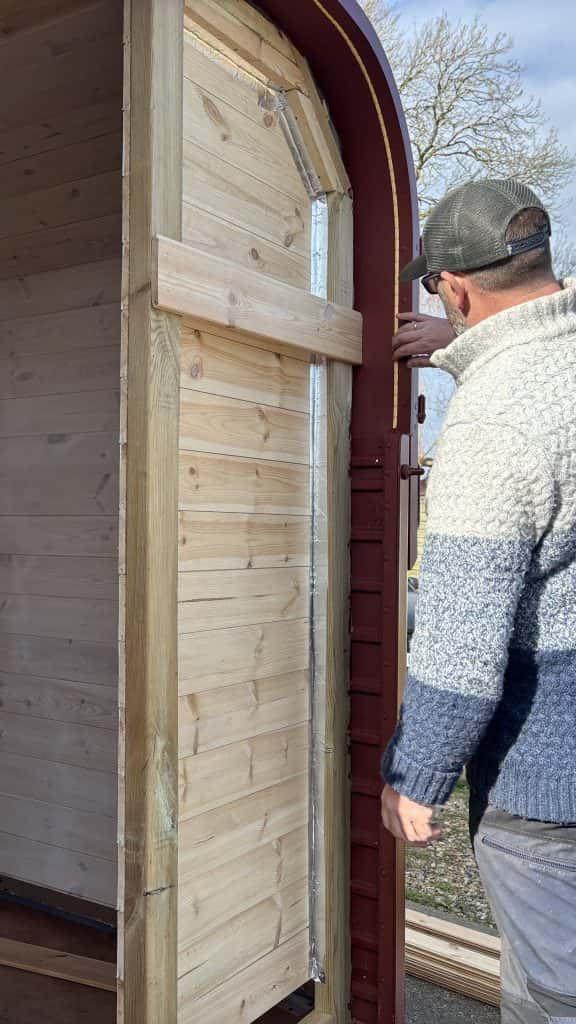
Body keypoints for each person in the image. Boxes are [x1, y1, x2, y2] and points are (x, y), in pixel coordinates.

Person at [381, 180, 576, 1023]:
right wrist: (456, 344)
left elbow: (460, 645)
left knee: (551, 998)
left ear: (454, 288)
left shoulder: (493, 424)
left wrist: (415, 775)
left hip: (551, 785)